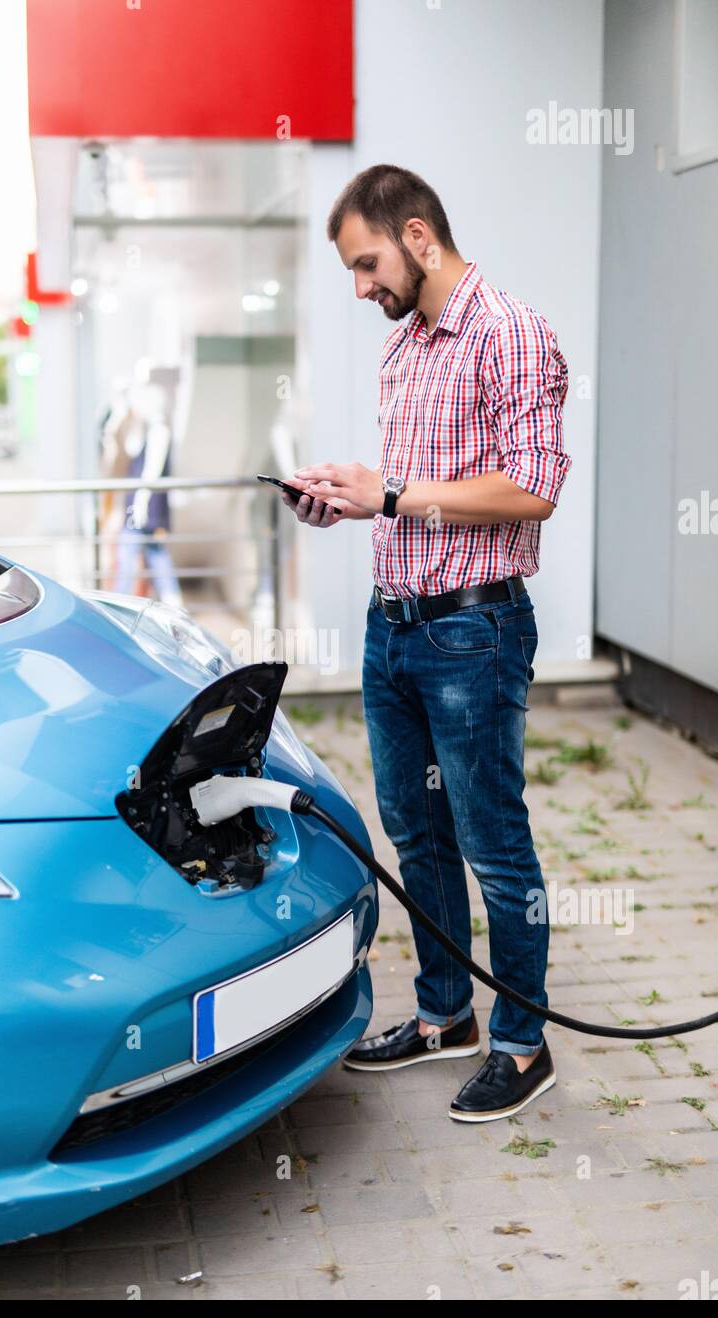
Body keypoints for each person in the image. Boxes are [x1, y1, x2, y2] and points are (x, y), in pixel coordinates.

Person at [281, 164, 572, 1123]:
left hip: (472, 632)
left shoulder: (512, 333)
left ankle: (522, 1048)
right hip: (393, 625)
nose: (362, 289)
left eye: (366, 265)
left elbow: (532, 488)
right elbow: (409, 496)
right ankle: (445, 1014)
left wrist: (397, 495)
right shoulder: (405, 350)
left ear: (416, 236)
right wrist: (347, 502)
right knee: (415, 832)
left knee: (493, 844)